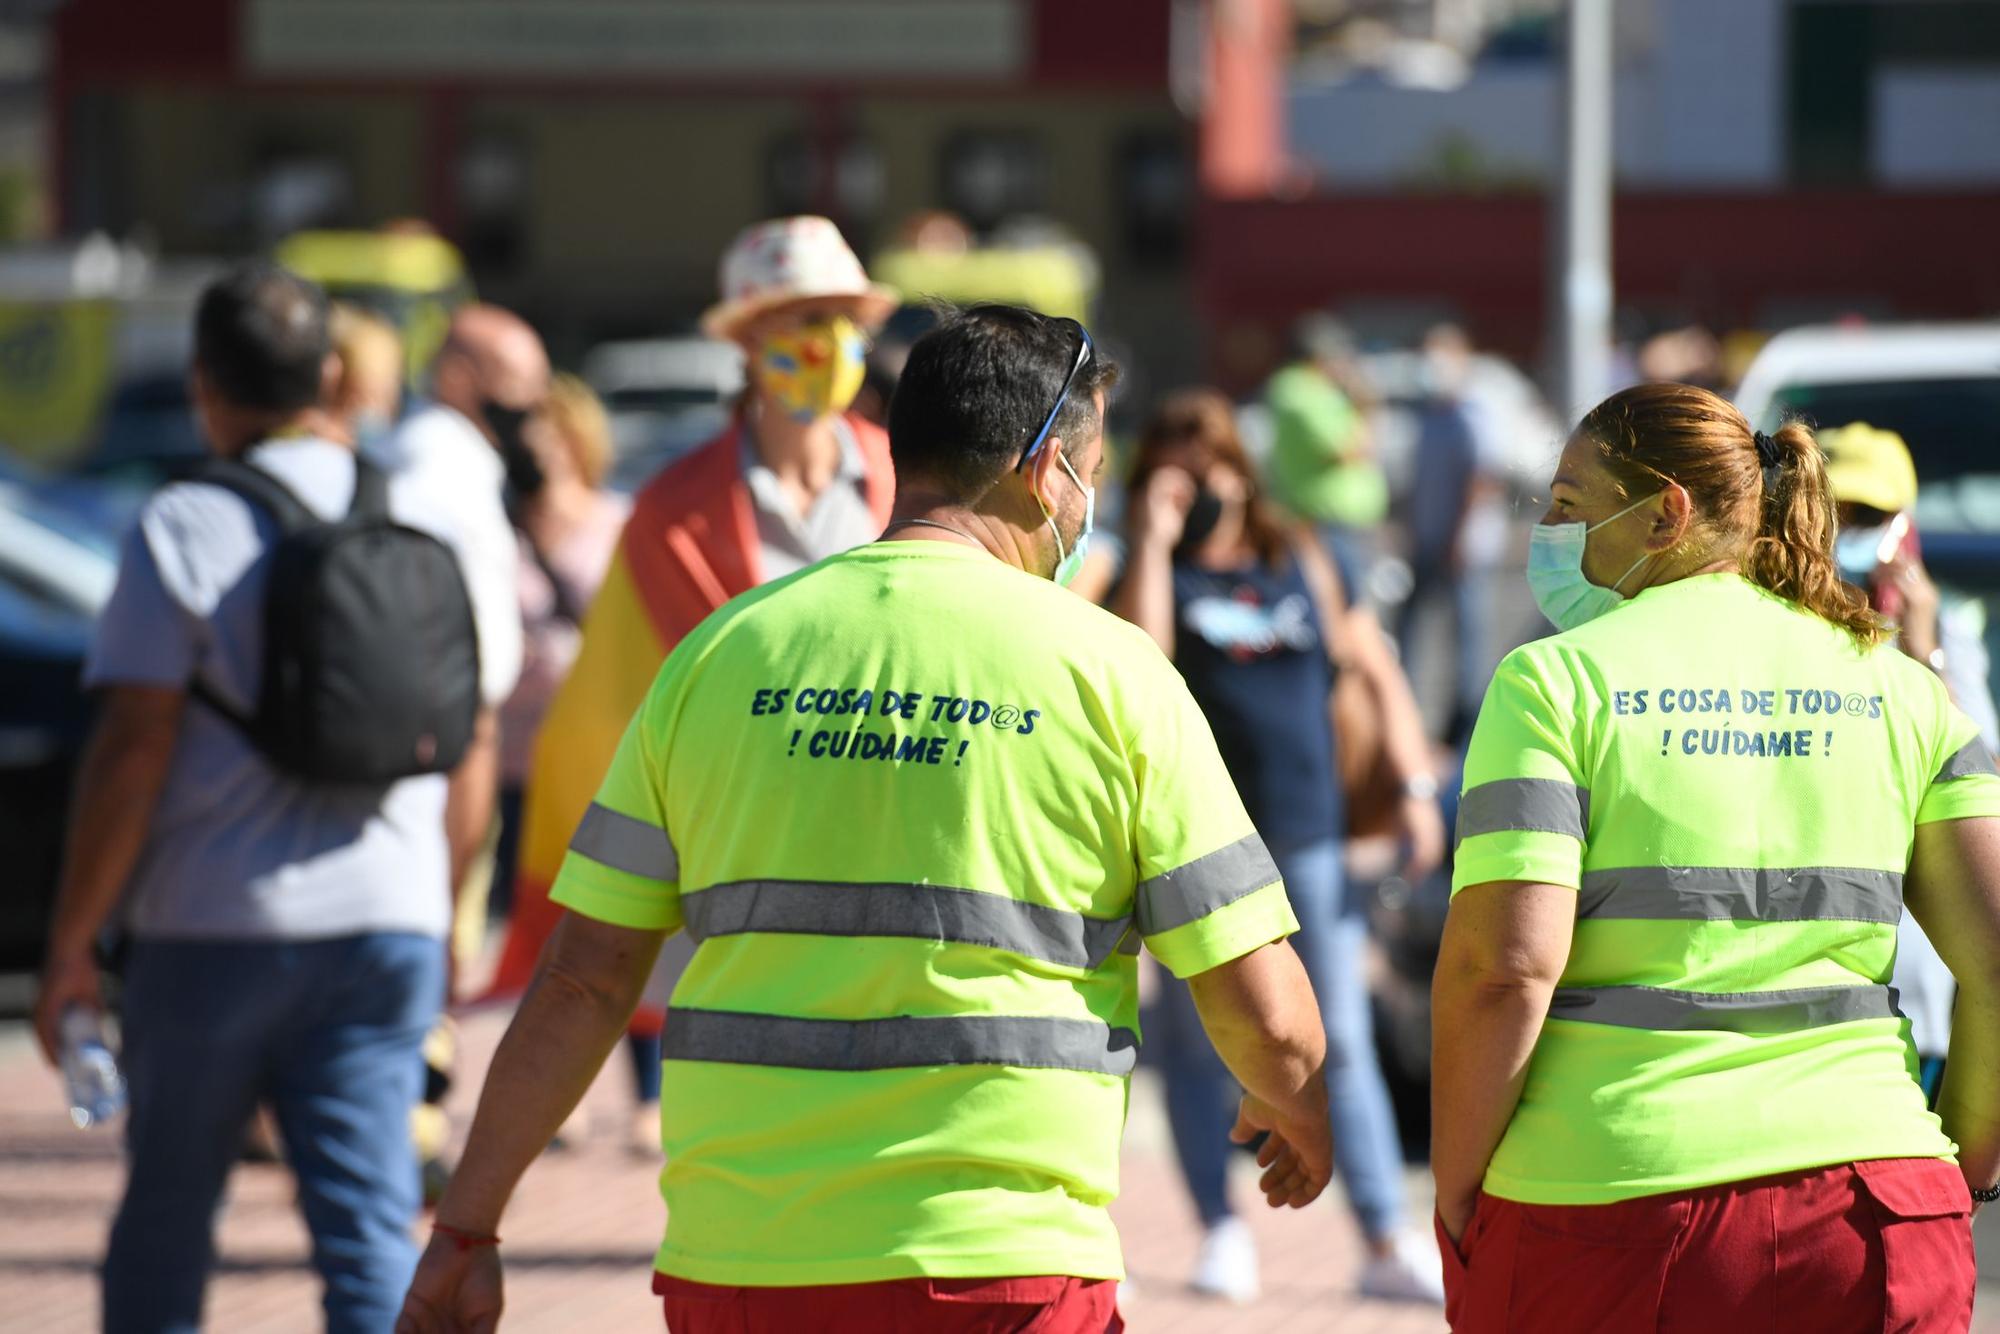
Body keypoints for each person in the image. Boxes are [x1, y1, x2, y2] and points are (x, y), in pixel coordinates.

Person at [395, 305, 1334, 1334]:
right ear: (1042, 471)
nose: (1091, 498)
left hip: (740, 1264)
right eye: (1093, 468)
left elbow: (582, 976)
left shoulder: (718, 657)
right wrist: (1288, 1097)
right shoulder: (1112, 676)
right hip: (1000, 1265)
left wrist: (465, 1229)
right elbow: (1272, 1021)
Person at [1432, 382, 2000, 1332]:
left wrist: (1456, 1188)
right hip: (1876, 1207)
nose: (1552, 532)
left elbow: (1504, 970)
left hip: (1610, 1209)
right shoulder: (1902, 688)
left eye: (1570, 506)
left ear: (1667, 512)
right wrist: (1962, 1166)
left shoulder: (1552, 682)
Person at [30, 263, 487, 1333]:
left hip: (210, 927)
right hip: (389, 924)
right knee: (369, 1224)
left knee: (169, 1211)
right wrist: (446, 903)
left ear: (203, 386)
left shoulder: (184, 520)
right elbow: (465, 738)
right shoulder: (416, 509)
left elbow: (136, 743)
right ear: (330, 375)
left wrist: (72, 944)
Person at [487, 215, 900, 1003]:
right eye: (805, 319)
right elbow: (624, 700)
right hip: (741, 861)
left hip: (890, 847)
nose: (831, 341)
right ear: (748, 340)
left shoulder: (906, 476)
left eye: (844, 320)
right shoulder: (671, 511)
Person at [1113, 388, 1445, 1306]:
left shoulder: (1297, 551)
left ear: (1243, 471)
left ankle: (1381, 1235)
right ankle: (1221, 1229)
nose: (1204, 491)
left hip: (1308, 833)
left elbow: (1370, 661)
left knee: (1334, 1039)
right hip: (1198, 847)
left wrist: (1416, 787)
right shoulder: (1148, 569)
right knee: (1192, 1046)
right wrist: (1150, 538)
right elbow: (1139, 664)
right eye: (1179, 475)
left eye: (1214, 470)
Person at [1822, 420, 2000, 1107]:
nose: (1848, 532)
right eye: (1834, 515)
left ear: (1903, 525)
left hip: (1918, 995)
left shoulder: (1945, 630)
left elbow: (1977, 774)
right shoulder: (1785, 629)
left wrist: (1924, 648)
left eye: (1867, 516)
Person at [1394, 325, 1507, 746]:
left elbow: (1482, 480)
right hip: (1426, 539)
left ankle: (1463, 724)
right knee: (1411, 627)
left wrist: (1459, 539)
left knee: (1467, 636)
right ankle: (1403, 710)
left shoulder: (1473, 415)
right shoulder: (1431, 414)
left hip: (1463, 548)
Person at [1263, 313, 1388, 586]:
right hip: (1326, 519)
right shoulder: (1301, 392)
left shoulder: (1313, 390)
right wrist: (1364, 409)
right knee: (1344, 597)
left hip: (1335, 520)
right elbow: (1346, 450)